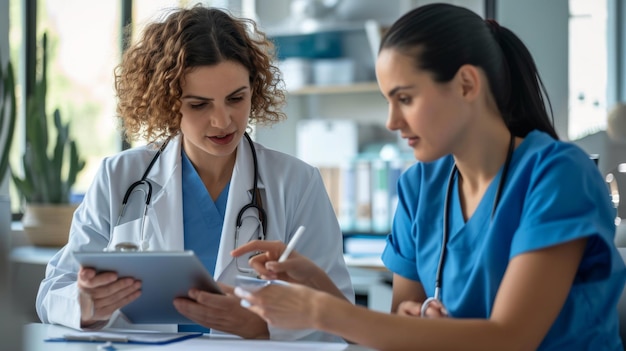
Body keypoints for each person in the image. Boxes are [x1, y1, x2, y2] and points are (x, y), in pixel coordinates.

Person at [232, 3, 626, 350]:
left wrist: (322, 312)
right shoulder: (421, 186)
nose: (391, 121)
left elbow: (511, 339)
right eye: (388, 101)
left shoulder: (558, 175)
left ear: (467, 84)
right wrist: (312, 281)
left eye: (405, 98)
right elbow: (398, 330)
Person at [35, 4, 354, 342]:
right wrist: (86, 304)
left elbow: (343, 316)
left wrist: (262, 327)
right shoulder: (120, 176)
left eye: (236, 98)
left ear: (254, 90)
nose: (222, 121)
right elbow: (52, 293)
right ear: (166, 102)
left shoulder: (297, 183)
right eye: (199, 105)